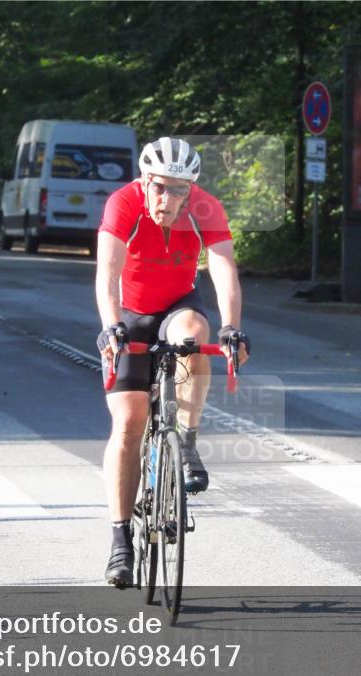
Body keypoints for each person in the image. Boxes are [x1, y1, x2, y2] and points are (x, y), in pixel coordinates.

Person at [95, 137, 250, 587]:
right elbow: (106, 272)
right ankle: (121, 540)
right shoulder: (123, 203)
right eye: (161, 187)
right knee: (128, 424)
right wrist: (111, 326)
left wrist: (231, 327)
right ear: (145, 181)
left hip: (179, 303)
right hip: (129, 312)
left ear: (191, 189)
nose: (169, 199)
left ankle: (186, 440)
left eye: (179, 190)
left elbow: (223, 269)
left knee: (194, 337)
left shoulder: (206, 207)